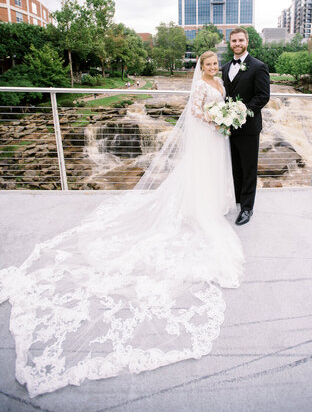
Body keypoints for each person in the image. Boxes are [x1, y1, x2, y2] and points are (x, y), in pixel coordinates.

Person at [0, 52, 244, 398]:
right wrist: (212, 119)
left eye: (213, 64)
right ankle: (196, 207)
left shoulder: (219, 82)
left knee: (211, 174)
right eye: (207, 65)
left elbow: (223, 102)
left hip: (218, 136)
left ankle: (206, 203)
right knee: (197, 172)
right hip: (206, 134)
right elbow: (192, 111)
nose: (211, 68)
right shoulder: (200, 86)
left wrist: (225, 118)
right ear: (200, 67)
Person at [222, 27, 270, 226]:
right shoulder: (225, 67)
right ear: (230, 43)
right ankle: (237, 200)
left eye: (240, 40)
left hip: (249, 128)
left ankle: (247, 208)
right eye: (234, 41)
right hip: (227, 129)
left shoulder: (259, 67)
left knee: (248, 169)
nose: (237, 44)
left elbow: (263, 96)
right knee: (233, 167)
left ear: (247, 41)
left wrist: (241, 112)